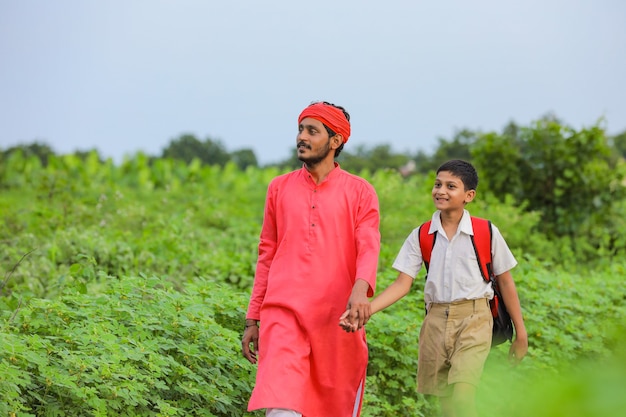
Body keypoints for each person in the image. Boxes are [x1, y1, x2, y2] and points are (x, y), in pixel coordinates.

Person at [340, 159, 528, 417]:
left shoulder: (485, 231)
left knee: (463, 397)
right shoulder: (422, 235)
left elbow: (505, 281)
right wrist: (366, 310)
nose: (441, 190)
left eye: (451, 186)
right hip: (436, 322)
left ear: (468, 196)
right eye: (438, 184)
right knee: (447, 405)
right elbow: (402, 283)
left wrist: (521, 333)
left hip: (475, 318)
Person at [241, 101, 381, 417]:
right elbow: (267, 253)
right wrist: (254, 316)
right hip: (283, 313)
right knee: (281, 405)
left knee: (332, 406)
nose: (301, 137)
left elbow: (368, 247)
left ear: (335, 141)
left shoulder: (360, 192)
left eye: (312, 131)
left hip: (336, 319)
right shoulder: (279, 188)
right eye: (300, 129)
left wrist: (360, 292)